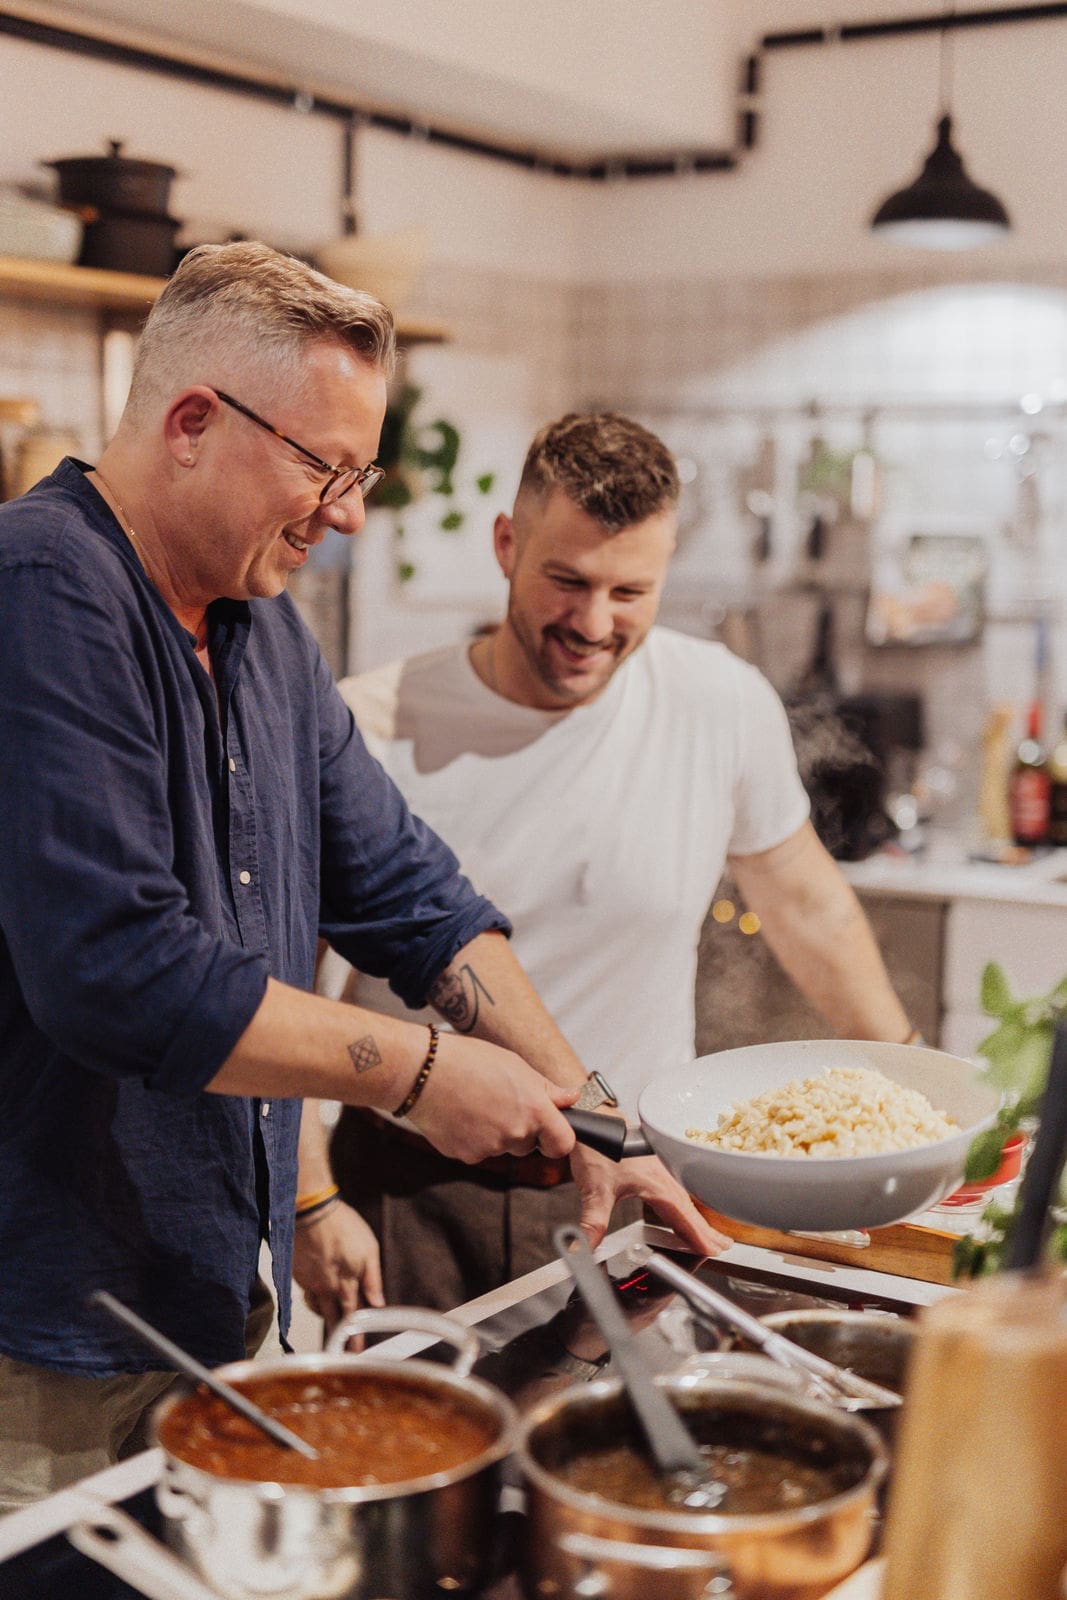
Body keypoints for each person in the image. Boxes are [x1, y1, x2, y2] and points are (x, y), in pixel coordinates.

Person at [0, 256, 721, 1510]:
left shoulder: (263, 628)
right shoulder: (43, 589)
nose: (346, 517)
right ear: (192, 422)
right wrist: (421, 1075)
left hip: (211, 1295)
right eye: (323, 469)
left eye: (361, 476)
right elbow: (116, 970)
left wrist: (597, 1122)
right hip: (46, 1336)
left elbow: (411, 894)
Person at [302, 411, 915, 1320]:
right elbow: (295, 984)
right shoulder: (368, 726)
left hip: (640, 1177)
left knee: (633, 1415)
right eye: (567, 581)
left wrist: (913, 1092)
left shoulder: (718, 702)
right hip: (415, 1193)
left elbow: (804, 902)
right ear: (506, 545)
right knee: (426, 1416)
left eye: (630, 591)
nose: (593, 623)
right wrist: (311, 1198)